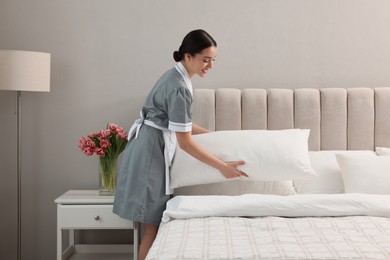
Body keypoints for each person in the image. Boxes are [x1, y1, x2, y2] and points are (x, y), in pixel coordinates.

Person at [113, 29, 247, 260]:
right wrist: (222, 167)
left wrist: (215, 135)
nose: (210, 66)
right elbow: (185, 142)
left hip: (147, 145)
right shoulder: (179, 87)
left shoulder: (174, 77)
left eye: (213, 60)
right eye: (205, 60)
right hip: (151, 153)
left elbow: (180, 123)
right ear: (188, 56)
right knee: (152, 229)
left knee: (152, 228)